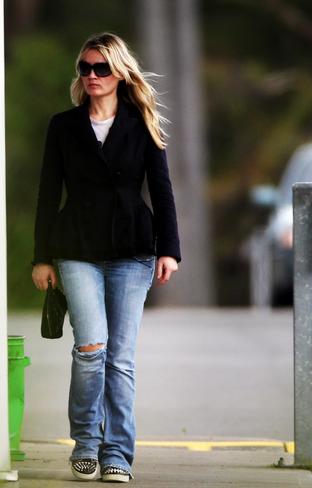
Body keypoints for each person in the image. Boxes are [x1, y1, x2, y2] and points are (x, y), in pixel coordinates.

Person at [31, 32, 181, 483]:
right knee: (91, 348)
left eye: (101, 68)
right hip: (75, 249)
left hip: (132, 250)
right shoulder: (63, 126)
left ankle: (118, 453)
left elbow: (162, 189)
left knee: (120, 358)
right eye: (85, 68)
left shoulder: (142, 123)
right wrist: (42, 258)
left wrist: (169, 249)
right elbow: (46, 195)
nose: (92, 76)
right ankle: (86, 443)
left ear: (119, 73)